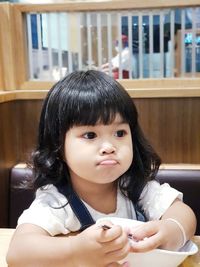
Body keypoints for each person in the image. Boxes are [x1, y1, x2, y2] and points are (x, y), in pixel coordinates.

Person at [7, 70, 196, 267]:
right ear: (59, 146)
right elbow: (18, 252)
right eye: (90, 135)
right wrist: (75, 251)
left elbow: (183, 212)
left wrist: (172, 230)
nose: (109, 147)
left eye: (120, 132)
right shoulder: (57, 200)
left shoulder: (134, 187)